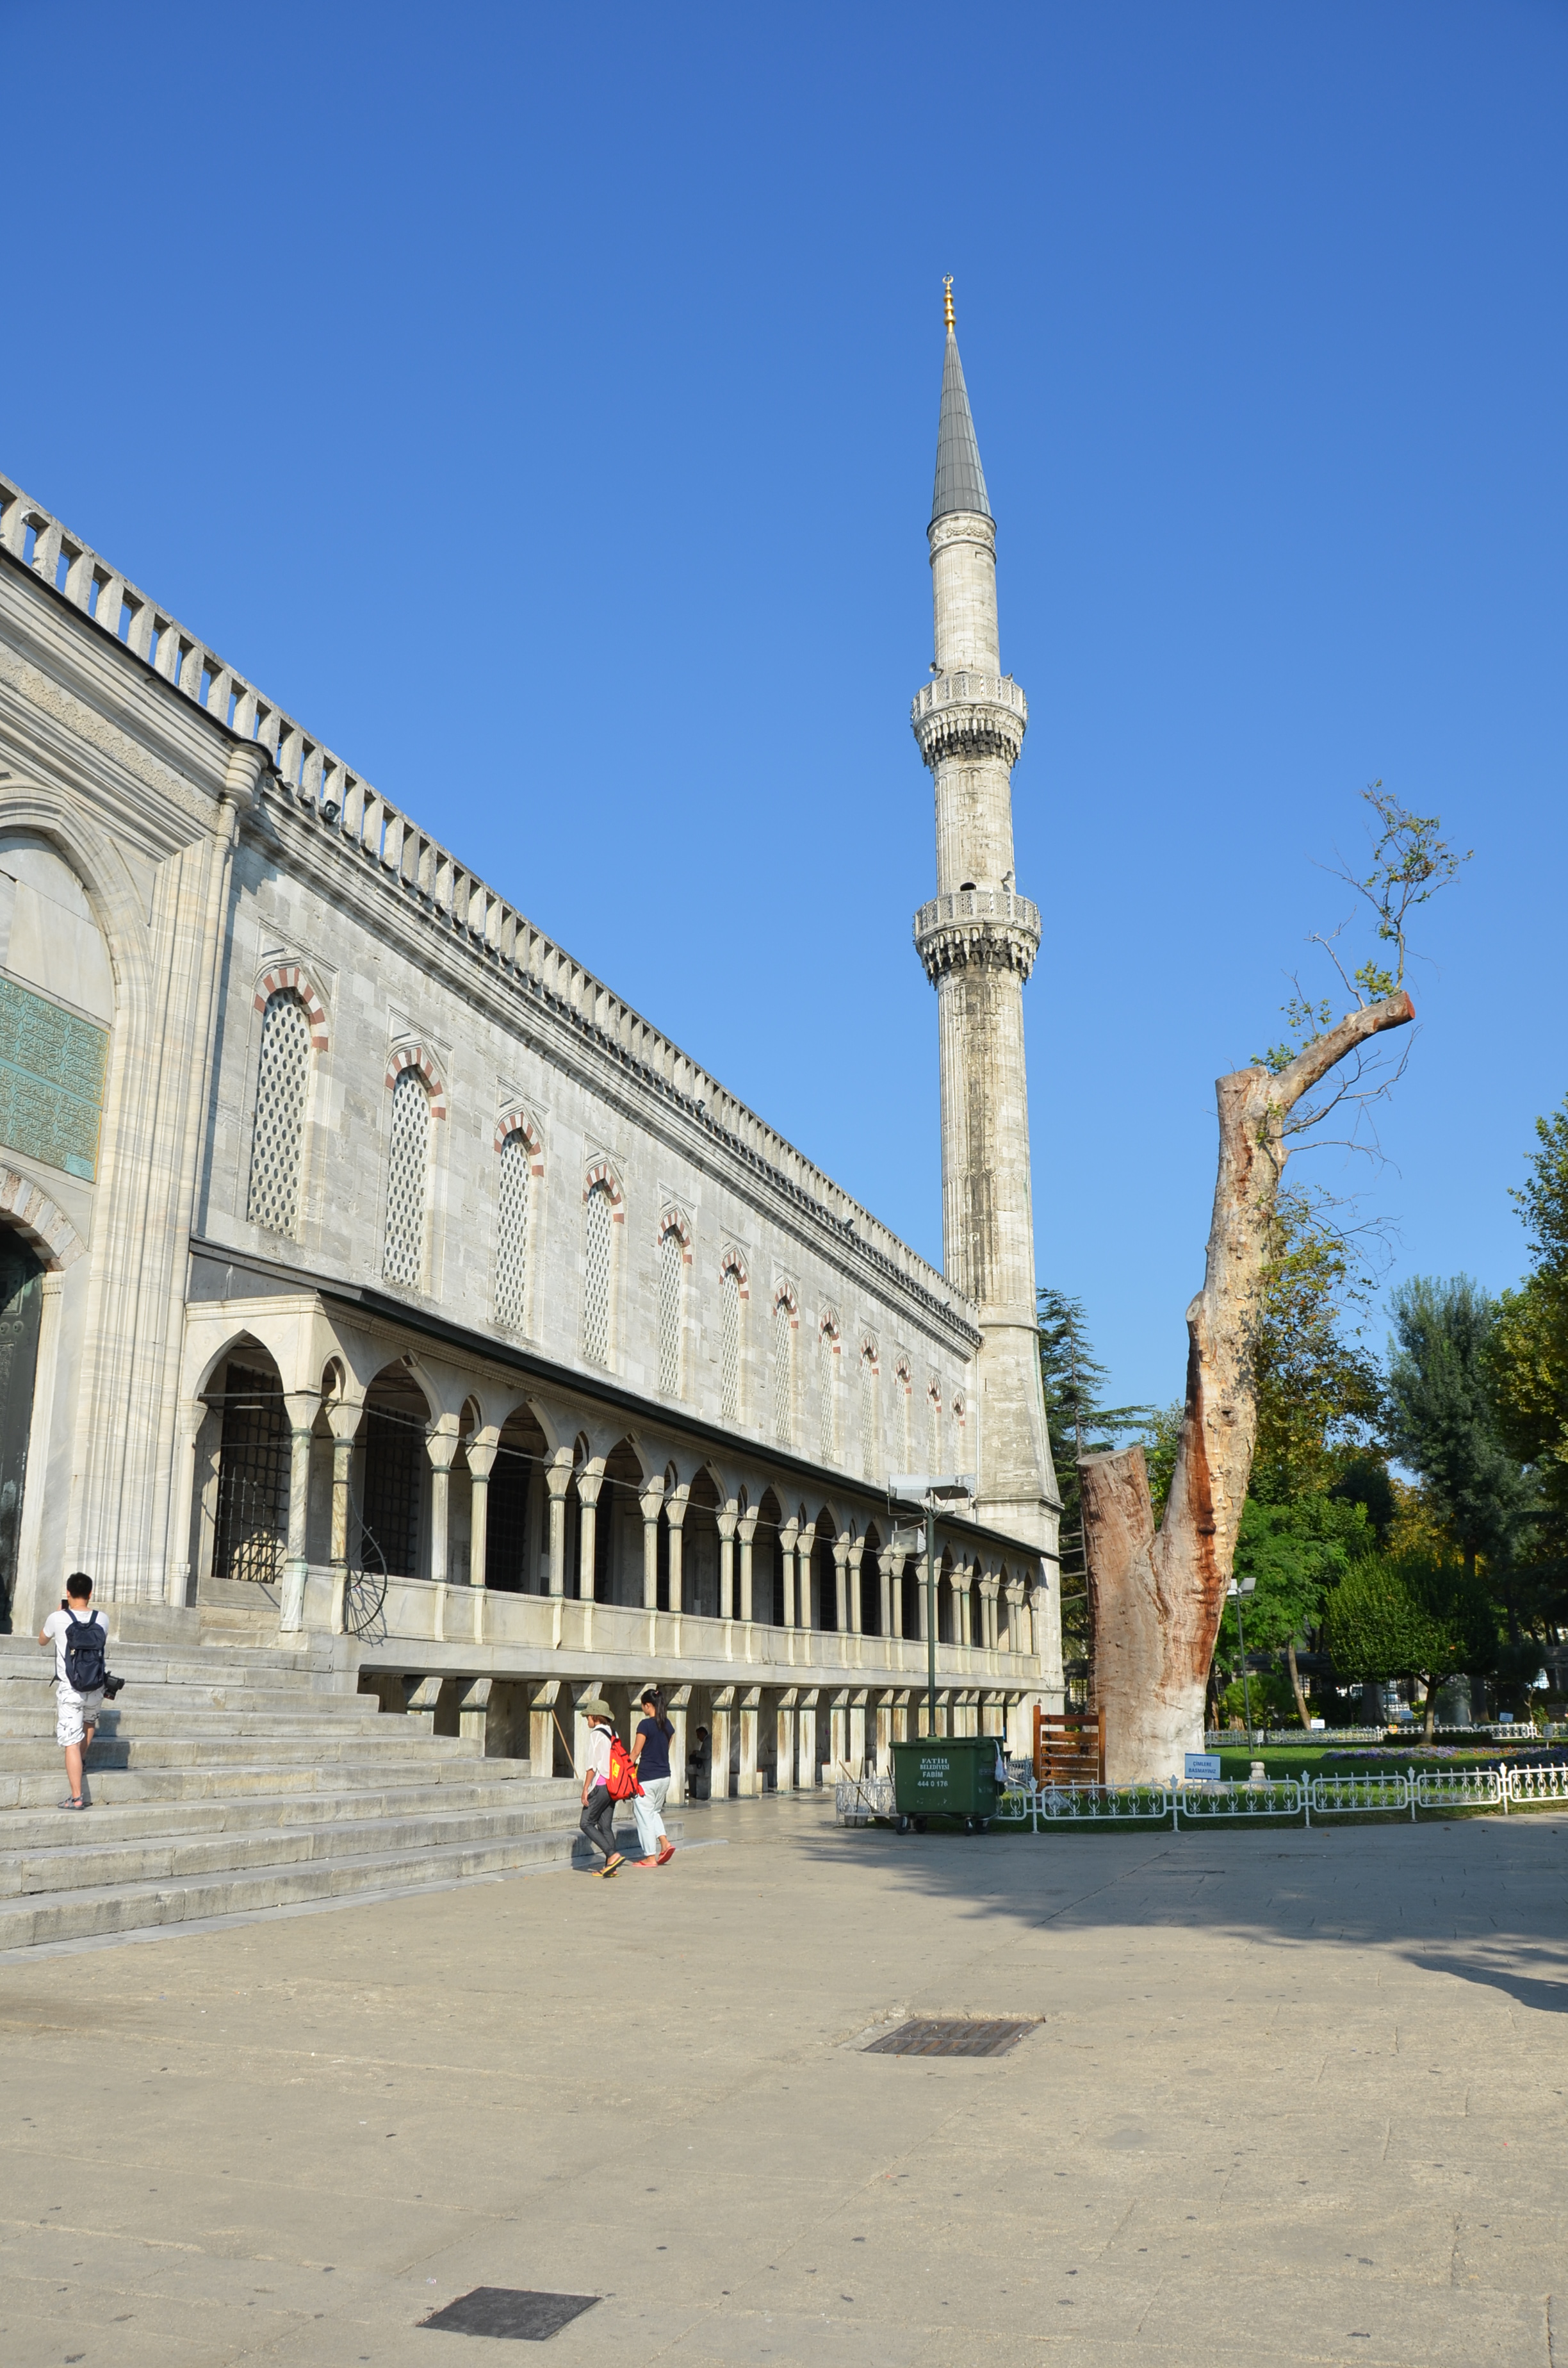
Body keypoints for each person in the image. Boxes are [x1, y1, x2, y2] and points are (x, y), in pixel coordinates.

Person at [40, 1572, 108, 1811]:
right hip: (96, 1685)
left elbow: (42, 1640)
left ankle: (77, 1797)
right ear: (91, 1594)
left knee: (70, 1741)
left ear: (68, 1593)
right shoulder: (103, 1619)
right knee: (89, 1723)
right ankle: (82, 1759)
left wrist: (60, 1612)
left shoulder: (57, 1617)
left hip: (71, 1687)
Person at [576, 1698, 625, 1877]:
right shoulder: (614, 1733)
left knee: (586, 1823)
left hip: (601, 1785)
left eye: (588, 1717)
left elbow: (592, 1766)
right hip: (614, 1786)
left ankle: (612, 1855)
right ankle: (611, 1868)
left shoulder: (596, 1735)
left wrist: (585, 1788)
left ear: (595, 1717)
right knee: (605, 1826)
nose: (587, 1720)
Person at [631, 1686, 676, 1868]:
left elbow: (635, 1752)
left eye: (643, 1705)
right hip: (664, 1776)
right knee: (654, 1812)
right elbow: (666, 1749)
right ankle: (665, 1844)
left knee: (643, 1815)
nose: (643, 1709)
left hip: (647, 1777)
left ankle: (650, 1857)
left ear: (648, 1705)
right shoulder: (669, 1725)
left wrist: (624, 1770)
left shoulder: (645, 1725)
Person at [687, 1722, 711, 1800]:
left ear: (703, 1733)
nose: (698, 1738)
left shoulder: (707, 1741)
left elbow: (707, 1755)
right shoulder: (709, 1739)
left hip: (706, 1768)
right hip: (706, 1766)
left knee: (688, 1769)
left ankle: (693, 1792)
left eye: (698, 1735)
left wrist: (697, 1754)